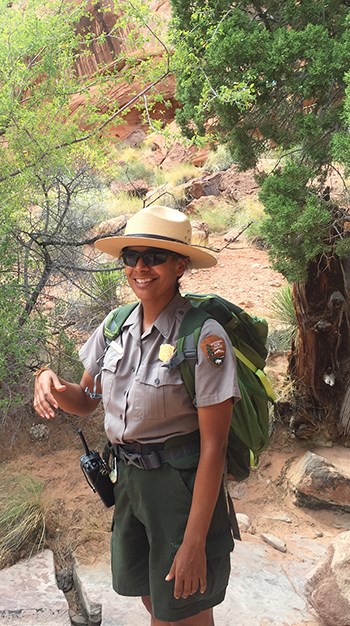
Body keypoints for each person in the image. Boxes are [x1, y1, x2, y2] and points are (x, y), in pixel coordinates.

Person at [33, 205, 241, 626]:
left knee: (184, 606)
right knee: (152, 598)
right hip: (129, 483)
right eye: (132, 256)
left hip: (179, 489)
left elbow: (214, 447)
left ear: (181, 264)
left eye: (154, 256)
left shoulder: (203, 338)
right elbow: (88, 397)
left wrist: (195, 540)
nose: (140, 267)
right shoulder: (116, 326)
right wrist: (51, 383)